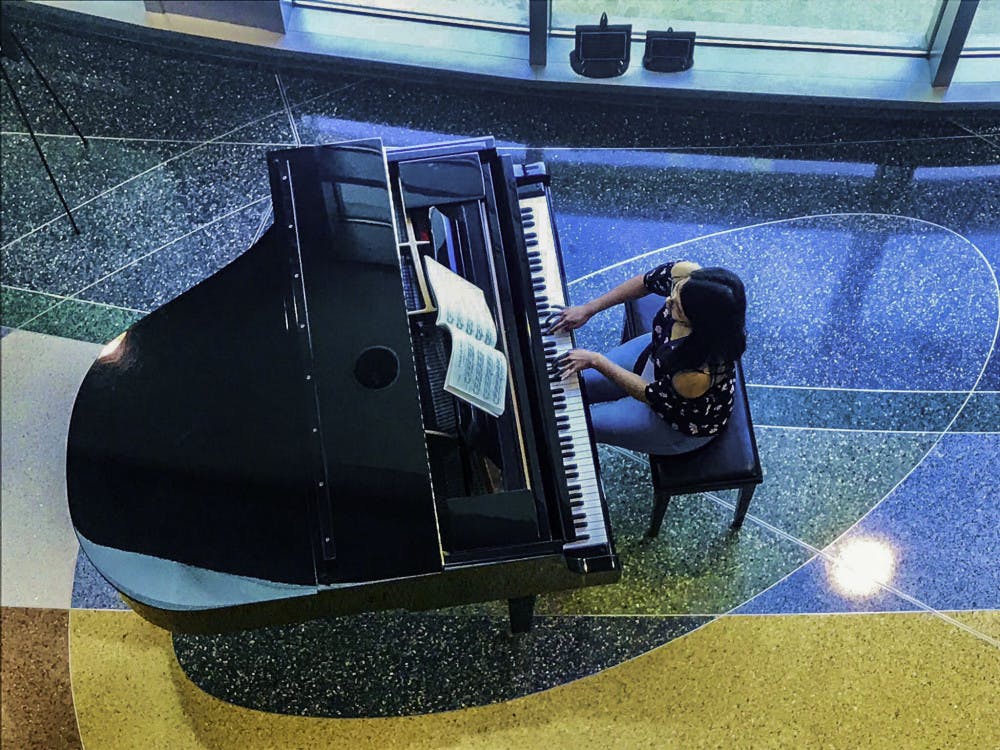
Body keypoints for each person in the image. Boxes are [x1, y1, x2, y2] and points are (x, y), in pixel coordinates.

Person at [549, 260, 746, 455]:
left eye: (678, 307)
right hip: (655, 358)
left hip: (673, 417)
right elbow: (646, 282)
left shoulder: (696, 375)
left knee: (573, 425)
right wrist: (590, 308)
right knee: (564, 382)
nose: (668, 301)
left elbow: (647, 393)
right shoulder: (687, 276)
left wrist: (596, 361)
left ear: (698, 322)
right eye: (675, 290)